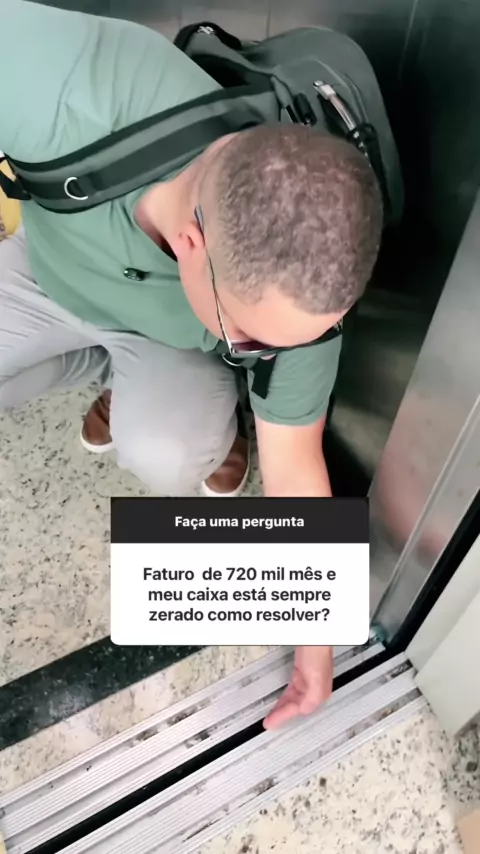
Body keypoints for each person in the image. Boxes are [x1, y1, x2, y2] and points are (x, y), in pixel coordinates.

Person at [0, 0, 383, 728]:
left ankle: (157, 390)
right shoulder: (68, 86)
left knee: (166, 454)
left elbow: (295, 464)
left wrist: (317, 648)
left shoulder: (302, 298)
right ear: (191, 246)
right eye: (250, 341)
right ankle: (105, 367)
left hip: (165, 340)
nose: (269, 357)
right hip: (48, 272)